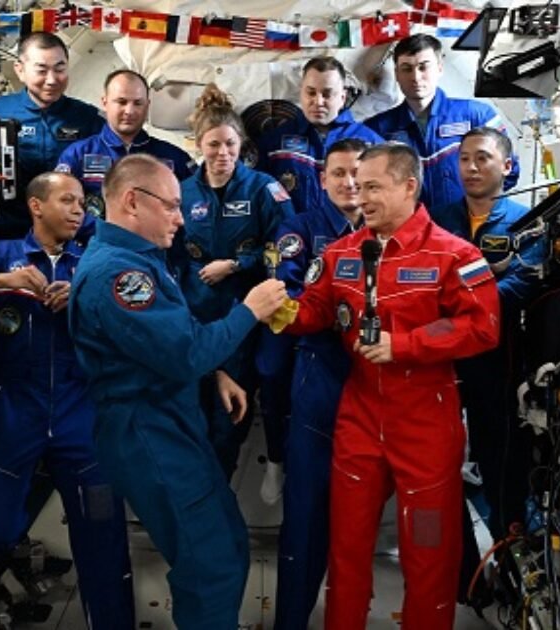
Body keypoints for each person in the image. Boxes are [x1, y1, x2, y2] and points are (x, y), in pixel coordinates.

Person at [279, 143, 501, 629]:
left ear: (408, 186)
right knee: (349, 544)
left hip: (426, 422)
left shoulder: (454, 255)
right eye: (359, 185)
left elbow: (483, 325)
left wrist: (408, 344)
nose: (361, 195)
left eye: (373, 186)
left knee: (427, 550)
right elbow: (317, 311)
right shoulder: (340, 254)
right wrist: (281, 310)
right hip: (359, 418)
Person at [68, 154, 288, 629]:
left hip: (174, 421)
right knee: (210, 568)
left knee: (227, 542)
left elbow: (164, 338)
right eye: (170, 206)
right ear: (131, 202)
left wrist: (215, 374)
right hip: (148, 432)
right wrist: (248, 311)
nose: (179, 216)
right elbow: (184, 352)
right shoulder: (120, 278)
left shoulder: (142, 260)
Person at [0, 172, 133, 628]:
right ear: (36, 206)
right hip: (16, 410)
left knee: (102, 538)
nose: (79, 210)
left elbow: (136, 309)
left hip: (82, 411)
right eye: (68, 200)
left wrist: (84, 294)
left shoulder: (96, 262)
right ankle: (3, 583)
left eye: (82, 202)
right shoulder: (2, 256)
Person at [261, 137, 367, 630]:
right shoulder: (299, 229)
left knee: (361, 517)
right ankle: (290, 622)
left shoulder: (389, 232)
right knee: (304, 513)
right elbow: (288, 289)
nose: (350, 184)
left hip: (376, 378)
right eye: (340, 173)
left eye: (359, 176)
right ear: (322, 179)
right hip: (319, 373)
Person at [432, 127, 548, 543]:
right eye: (464, 159)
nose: (471, 167)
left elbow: (519, 287)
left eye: (482, 158)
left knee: (499, 461)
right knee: (435, 467)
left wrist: (460, 311)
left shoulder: (527, 223)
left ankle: (506, 552)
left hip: (497, 362)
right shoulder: (438, 219)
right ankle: (462, 571)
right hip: (441, 360)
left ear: (507, 165)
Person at [177, 84, 295, 481]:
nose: (222, 153)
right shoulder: (181, 191)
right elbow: (169, 253)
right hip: (193, 321)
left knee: (228, 425)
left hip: (243, 321)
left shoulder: (263, 188)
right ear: (199, 145)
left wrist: (236, 264)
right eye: (213, 145)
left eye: (230, 144)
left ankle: (218, 502)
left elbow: (286, 248)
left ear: (241, 143)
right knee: (189, 424)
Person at [365, 34, 519, 213]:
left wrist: (478, 213)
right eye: (407, 69)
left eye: (424, 67)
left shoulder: (478, 117)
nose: (416, 77)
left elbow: (509, 172)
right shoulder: (377, 129)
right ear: (397, 74)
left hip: (467, 230)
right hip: (408, 232)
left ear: (439, 68)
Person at [0, 33, 104, 240]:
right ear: (20, 70)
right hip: (13, 229)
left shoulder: (88, 118)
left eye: (60, 69)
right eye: (41, 70)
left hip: (72, 233)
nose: (52, 80)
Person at [55, 69, 193, 219]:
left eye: (138, 103)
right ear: (105, 102)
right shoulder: (77, 154)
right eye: (121, 102)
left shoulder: (175, 158)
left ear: (147, 106)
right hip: (97, 240)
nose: (129, 111)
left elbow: (198, 206)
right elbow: (59, 207)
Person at [255, 56, 383, 215]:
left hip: (352, 237)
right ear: (301, 92)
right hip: (294, 236)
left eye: (327, 94)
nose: (318, 101)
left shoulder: (372, 145)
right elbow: (259, 198)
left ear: (343, 97)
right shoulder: (273, 144)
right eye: (311, 93)